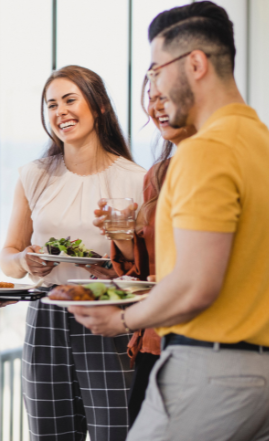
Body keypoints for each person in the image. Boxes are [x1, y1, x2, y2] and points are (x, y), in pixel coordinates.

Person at [69, 1, 269, 441]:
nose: (154, 85)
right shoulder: (268, 147)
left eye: (156, 70)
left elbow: (198, 285)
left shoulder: (206, 150)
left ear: (194, 64)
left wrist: (122, 320)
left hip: (212, 377)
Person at [0, 65, 146, 441]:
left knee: (114, 433)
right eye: (51, 105)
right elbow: (9, 257)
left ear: (97, 107)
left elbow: (147, 268)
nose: (60, 111)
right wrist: (25, 260)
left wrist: (120, 247)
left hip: (109, 313)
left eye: (70, 100)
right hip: (47, 314)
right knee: (50, 435)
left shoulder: (135, 179)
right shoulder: (34, 175)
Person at [94, 85, 195, 426]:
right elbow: (143, 270)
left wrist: (121, 321)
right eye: (150, 99)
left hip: (201, 343)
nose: (156, 107)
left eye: (164, 96)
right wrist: (120, 234)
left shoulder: (221, 167)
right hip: (154, 340)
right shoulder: (157, 175)